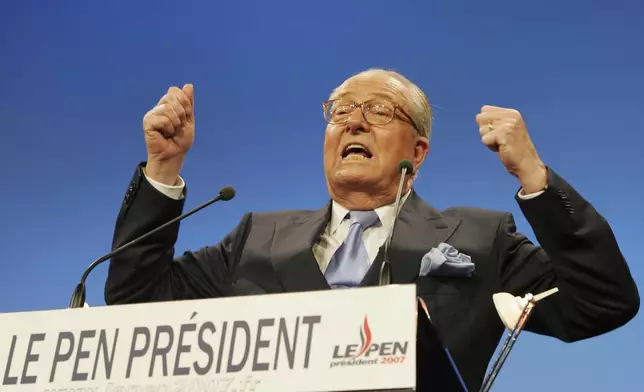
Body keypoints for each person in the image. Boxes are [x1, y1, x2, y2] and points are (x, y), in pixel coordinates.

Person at [105, 68, 639, 391]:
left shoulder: (481, 238)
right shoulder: (254, 238)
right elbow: (135, 307)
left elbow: (602, 302)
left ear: (419, 152)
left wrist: (534, 178)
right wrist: (163, 171)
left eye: (379, 111)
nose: (353, 122)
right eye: (339, 112)